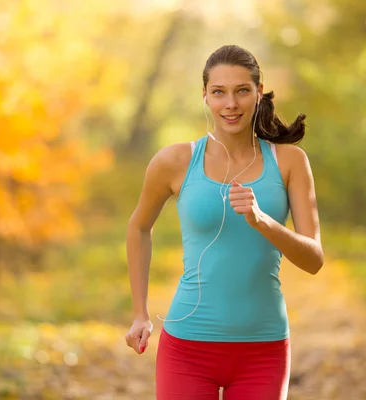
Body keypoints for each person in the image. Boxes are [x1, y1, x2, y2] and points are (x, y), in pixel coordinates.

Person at [124, 44, 324, 400]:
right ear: (205, 96)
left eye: (242, 91)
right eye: (219, 92)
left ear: (258, 93)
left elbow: (313, 260)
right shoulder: (175, 161)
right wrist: (140, 313)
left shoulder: (290, 161)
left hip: (264, 350)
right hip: (187, 348)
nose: (230, 104)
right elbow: (139, 227)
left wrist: (264, 222)